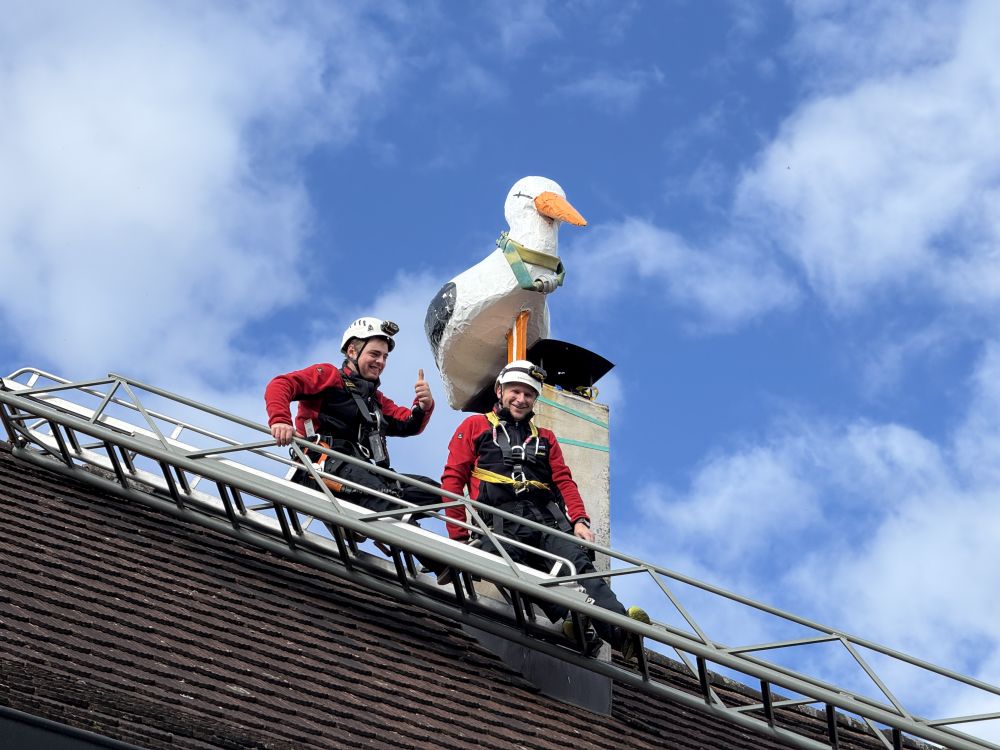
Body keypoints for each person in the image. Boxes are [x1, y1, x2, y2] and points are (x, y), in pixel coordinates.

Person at [440, 359, 650, 661]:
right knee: (516, 569)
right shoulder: (475, 426)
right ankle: (572, 622)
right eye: (515, 391)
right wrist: (458, 537)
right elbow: (452, 480)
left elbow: (564, 481)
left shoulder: (545, 438)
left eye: (529, 394)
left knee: (579, 565)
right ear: (500, 391)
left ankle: (621, 632)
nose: (521, 399)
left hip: (547, 520)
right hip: (501, 523)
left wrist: (579, 520)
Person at [265, 316, 449, 580]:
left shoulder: (375, 400)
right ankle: (442, 563)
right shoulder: (329, 376)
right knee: (383, 501)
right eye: (375, 354)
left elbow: (406, 423)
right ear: (352, 350)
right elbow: (281, 384)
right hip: (325, 466)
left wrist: (423, 406)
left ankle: (471, 543)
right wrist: (280, 421)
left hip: (363, 470)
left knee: (439, 493)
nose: (381, 362)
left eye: (385, 357)